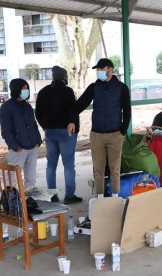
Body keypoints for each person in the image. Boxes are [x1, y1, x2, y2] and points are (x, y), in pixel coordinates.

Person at [76, 58, 131, 198]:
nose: (99, 72)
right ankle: (99, 197)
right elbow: (80, 105)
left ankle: (115, 197)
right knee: (98, 168)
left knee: (115, 168)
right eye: (98, 69)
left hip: (115, 134)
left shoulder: (122, 88)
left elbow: (127, 111)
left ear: (110, 70)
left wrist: (122, 131)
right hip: (97, 134)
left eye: (101, 69)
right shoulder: (94, 87)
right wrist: (68, 117)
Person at [35, 66, 82, 204]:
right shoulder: (67, 91)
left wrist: (45, 126)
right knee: (68, 165)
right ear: (64, 77)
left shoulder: (43, 92)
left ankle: (52, 195)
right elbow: (73, 109)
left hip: (50, 132)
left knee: (51, 165)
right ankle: (69, 196)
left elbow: (38, 113)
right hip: (66, 133)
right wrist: (72, 123)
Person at [0, 78, 42, 189]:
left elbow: (33, 125)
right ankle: (12, 202)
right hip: (18, 148)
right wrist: (15, 146)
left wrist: (38, 140)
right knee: (12, 178)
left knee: (31, 178)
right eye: (23, 89)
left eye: (27, 89)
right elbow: (6, 131)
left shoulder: (27, 106)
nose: (26, 91)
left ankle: (28, 200)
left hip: (32, 147)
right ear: (16, 89)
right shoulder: (6, 107)